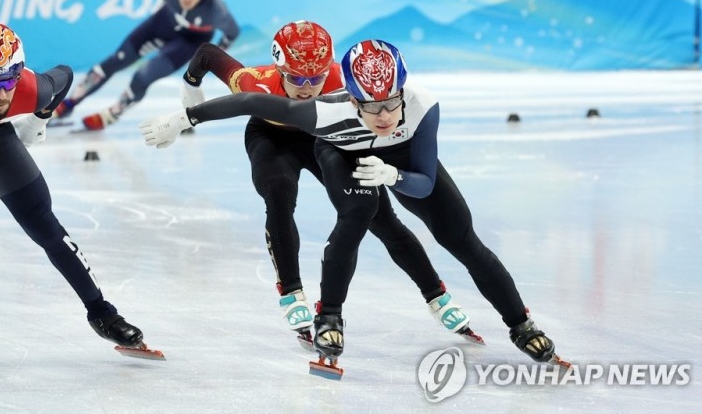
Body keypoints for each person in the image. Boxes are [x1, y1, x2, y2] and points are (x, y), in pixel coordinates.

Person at [139, 39, 567, 369]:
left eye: (390, 104)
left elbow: (424, 182)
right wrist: (182, 118)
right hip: (343, 153)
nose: (383, 116)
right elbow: (249, 101)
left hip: (401, 163)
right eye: (369, 107)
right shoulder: (323, 113)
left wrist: (394, 175)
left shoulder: (421, 105)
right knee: (358, 217)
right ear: (350, 97)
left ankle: (521, 324)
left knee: (461, 238)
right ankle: (330, 317)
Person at [175, 21, 482, 352]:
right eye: (296, 79)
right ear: (279, 69)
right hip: (272, 138)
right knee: (278, 194)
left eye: (316, 78)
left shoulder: (345, 79)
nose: (307, 88)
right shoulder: (255, 82)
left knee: (380, 216)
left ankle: (436, 295)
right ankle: (291, 293)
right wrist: (190, 86)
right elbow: (206, 53)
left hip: (328, 139)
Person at [0, 22, 160, 373]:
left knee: (44, 224)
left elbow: (65, 75)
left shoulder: (30, 89)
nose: (3, 94)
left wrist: (40, 117)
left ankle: (102, 313)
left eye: (10, 80)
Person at [51, 0, 240, 131]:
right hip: (164, 23)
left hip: (189, 41)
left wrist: (209, 60)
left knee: (142, 77)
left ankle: (114, 112)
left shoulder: (216, 10)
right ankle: (68, 104)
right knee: (115, 61)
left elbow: (232, 33)